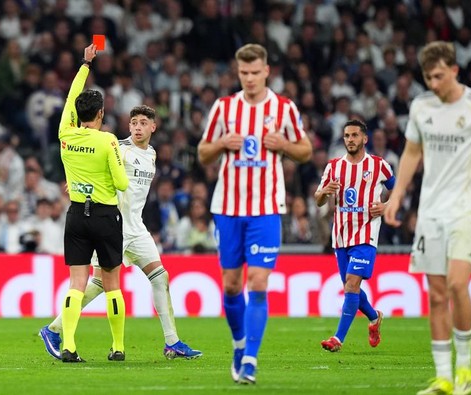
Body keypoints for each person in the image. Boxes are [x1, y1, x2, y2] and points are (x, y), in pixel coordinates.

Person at [383, 41, 471, 395]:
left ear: (455, 70)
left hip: (468, 208)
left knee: (458, 283)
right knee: (437, 294)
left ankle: (465, 368)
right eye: (428, 77)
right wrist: (396, 195)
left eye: (439, 76)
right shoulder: (421, 106)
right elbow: (411, 153)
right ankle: (442, 377)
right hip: (430, 210)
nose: (434, 84)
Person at [39, 105, 202, 360]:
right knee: (99, 283)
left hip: (136, 228)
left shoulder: (151, 154)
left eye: (143, 123)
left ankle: (172, 342)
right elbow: (92, 167)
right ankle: (54, 329)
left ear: (153, 127)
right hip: (110, 225)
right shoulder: (119, 148)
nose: (137, 127)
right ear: (129, 126)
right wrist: (76, 184)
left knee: (160, 278)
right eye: (134, 122)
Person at [197, 43, 313, 384]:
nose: (249, 78)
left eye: (254, 72)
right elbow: (203, 152)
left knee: (258, 282)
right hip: (228, 209)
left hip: (266, 209)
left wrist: (285, 146)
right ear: (238, 73)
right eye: (243, 73)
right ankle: (238, 344)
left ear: (266, 71)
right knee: (232, 286)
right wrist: (221, 144)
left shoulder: (284, 108)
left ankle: (250, 359)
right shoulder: (224, 107)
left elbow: (305, 151)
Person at [52, 43, 129, 363]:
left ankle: (68, 345)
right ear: (100, 113)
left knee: (77, 282)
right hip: (105, 214)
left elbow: (71, 99)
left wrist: (84, 65)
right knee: (111, 284)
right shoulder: (107, 140)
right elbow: (122, 183)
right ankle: (118, 347)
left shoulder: (65, 135)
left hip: (75, 216)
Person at [314, 119, 395, 352]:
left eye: (354, 135)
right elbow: (319, 200)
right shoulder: (333, 167)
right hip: (340, 237)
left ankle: (337, 338)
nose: (350, 139)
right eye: (347, 136)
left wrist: (386, 206)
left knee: (351, 284)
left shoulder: (379, 166)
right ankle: (374, 317)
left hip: (366, 235)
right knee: (352, 288)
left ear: (364, 139)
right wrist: (324, 193)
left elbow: (398, 190)